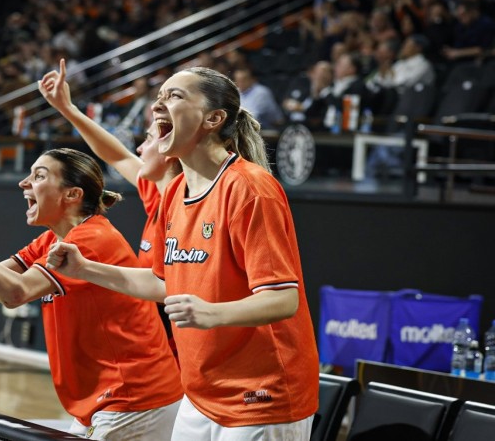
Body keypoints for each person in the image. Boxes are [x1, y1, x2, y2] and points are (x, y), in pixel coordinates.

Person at [46, 67, 319, 440]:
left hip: (261, 393)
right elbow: (162, 282)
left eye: (174, 96)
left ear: (213, 118)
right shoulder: (174, 193)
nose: (157, 103)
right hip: (200, 392)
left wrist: (211, 313)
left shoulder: (250, 188)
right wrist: (85, 269)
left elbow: (283, 299)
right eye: (159, 96)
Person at [0, 147, 182, 440]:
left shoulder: (92, 238)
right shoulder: (52, 239)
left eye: (39, 176)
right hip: (106, 400)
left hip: (135, 398)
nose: (23, 183)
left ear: (72, 194)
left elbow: (15, 294)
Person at [38, 58, 182, 360]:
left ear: (169, 150)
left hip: (184, 348)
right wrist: (68, 109)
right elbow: (116, 155)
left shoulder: (189, 207)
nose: (138, 149)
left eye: (147, 139)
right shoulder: (157, 195)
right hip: (167, 346)